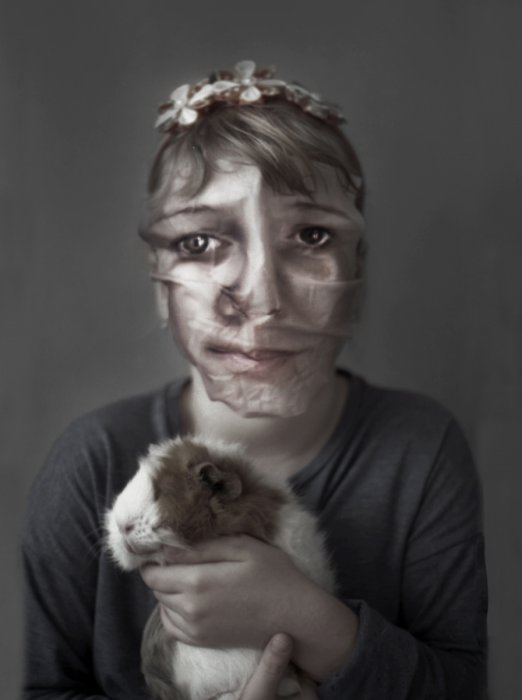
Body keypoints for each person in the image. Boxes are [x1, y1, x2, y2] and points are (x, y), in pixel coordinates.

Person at [22, 60, 488, 699]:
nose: (263, 300)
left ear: (358, 270)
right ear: (159, 283)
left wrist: (311, 622)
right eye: (198, 243)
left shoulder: (422, 447)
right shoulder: (91, 460)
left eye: (312, 235)